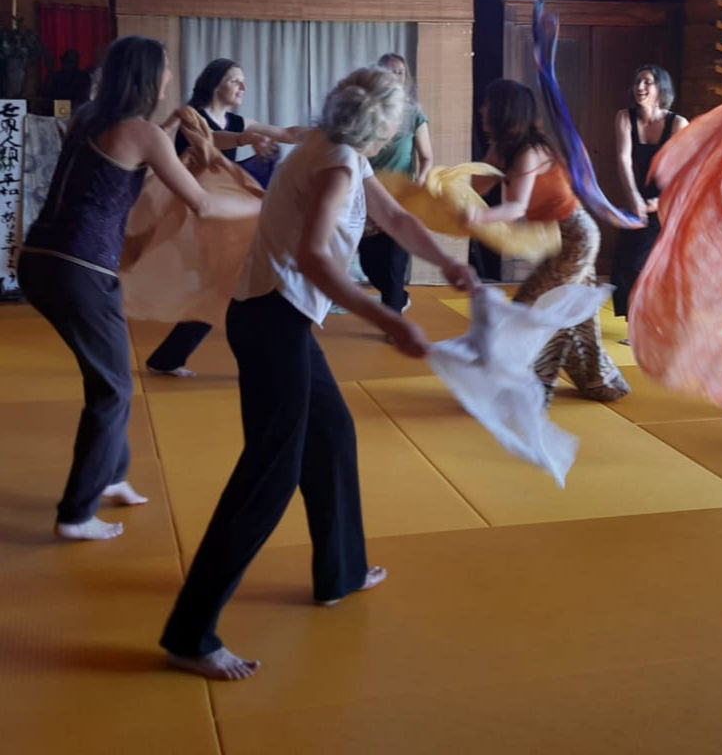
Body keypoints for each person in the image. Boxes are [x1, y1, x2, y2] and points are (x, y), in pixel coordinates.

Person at [159, 66, 477, 681]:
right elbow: (311, 253)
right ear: (380, 125)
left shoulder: (341, 154)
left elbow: (399, 221)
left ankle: (342, 570)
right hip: (273, 320)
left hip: (282, 320)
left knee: (331, 437)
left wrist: (450, 262)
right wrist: (384, 316)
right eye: (395, 122)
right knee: (269, 477)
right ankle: (190, 633)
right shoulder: (332, 161)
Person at [16, 36, 261, 542]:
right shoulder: (142, 133)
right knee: (113, 387)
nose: (171, 77)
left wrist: (173, 124)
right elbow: (205, 205)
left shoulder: (88, 117)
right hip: (78, 267)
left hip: (42, 259)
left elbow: (131, 159)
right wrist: (266, 209)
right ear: (150, 76)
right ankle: (75, 513)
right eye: (166, 69)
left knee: (108, 376)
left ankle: (111, 476)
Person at [146, 58, 310, 377]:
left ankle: (169, 357)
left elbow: (287, 133)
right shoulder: (190, 116)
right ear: (215, 83)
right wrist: (244, 140)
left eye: (243, 81)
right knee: (229, 285)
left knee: (226, 286)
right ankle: (177, 357)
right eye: (235, 80)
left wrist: (327, 132)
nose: (242, 87)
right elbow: (206, 141)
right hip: (194, 212)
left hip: (225, 213)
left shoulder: (237, 122)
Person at [469, 79, 630, 403]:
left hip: (575, 237)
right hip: (556, 238)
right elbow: (475, 187)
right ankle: (602, 382)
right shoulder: (504, 150)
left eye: (489, 104)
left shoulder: (529, 152)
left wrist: (477, 218)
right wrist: (440, 196)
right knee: (574, 314)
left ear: (505, 111)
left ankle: (533, 386)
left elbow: (516, 208)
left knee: (532, 308)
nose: (483, 110)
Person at [610, 65, 688, 338]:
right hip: (637, 199)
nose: (640, 87)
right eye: (637, 81)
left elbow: (683, 174)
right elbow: (623, 160)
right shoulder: (624, 118)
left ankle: (649, 329)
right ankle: (639, 328)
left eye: (647, 82)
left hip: (669, 202)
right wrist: (633, 199)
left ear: (661, 89)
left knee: (645, 266)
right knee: (622, 265)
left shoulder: (678, 124)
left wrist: (660, 203)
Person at [358, 52, 433, 316]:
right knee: (369, 261)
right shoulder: (366, 111)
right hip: (368, 196)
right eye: (388, 71)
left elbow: (426, 157)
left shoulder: (413, 113)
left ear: (406, 78)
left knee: (394, 260)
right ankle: (399, 297)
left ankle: (393, 318)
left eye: (399, 72)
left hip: (402, 198)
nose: (394, 76)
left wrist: (419, 184)